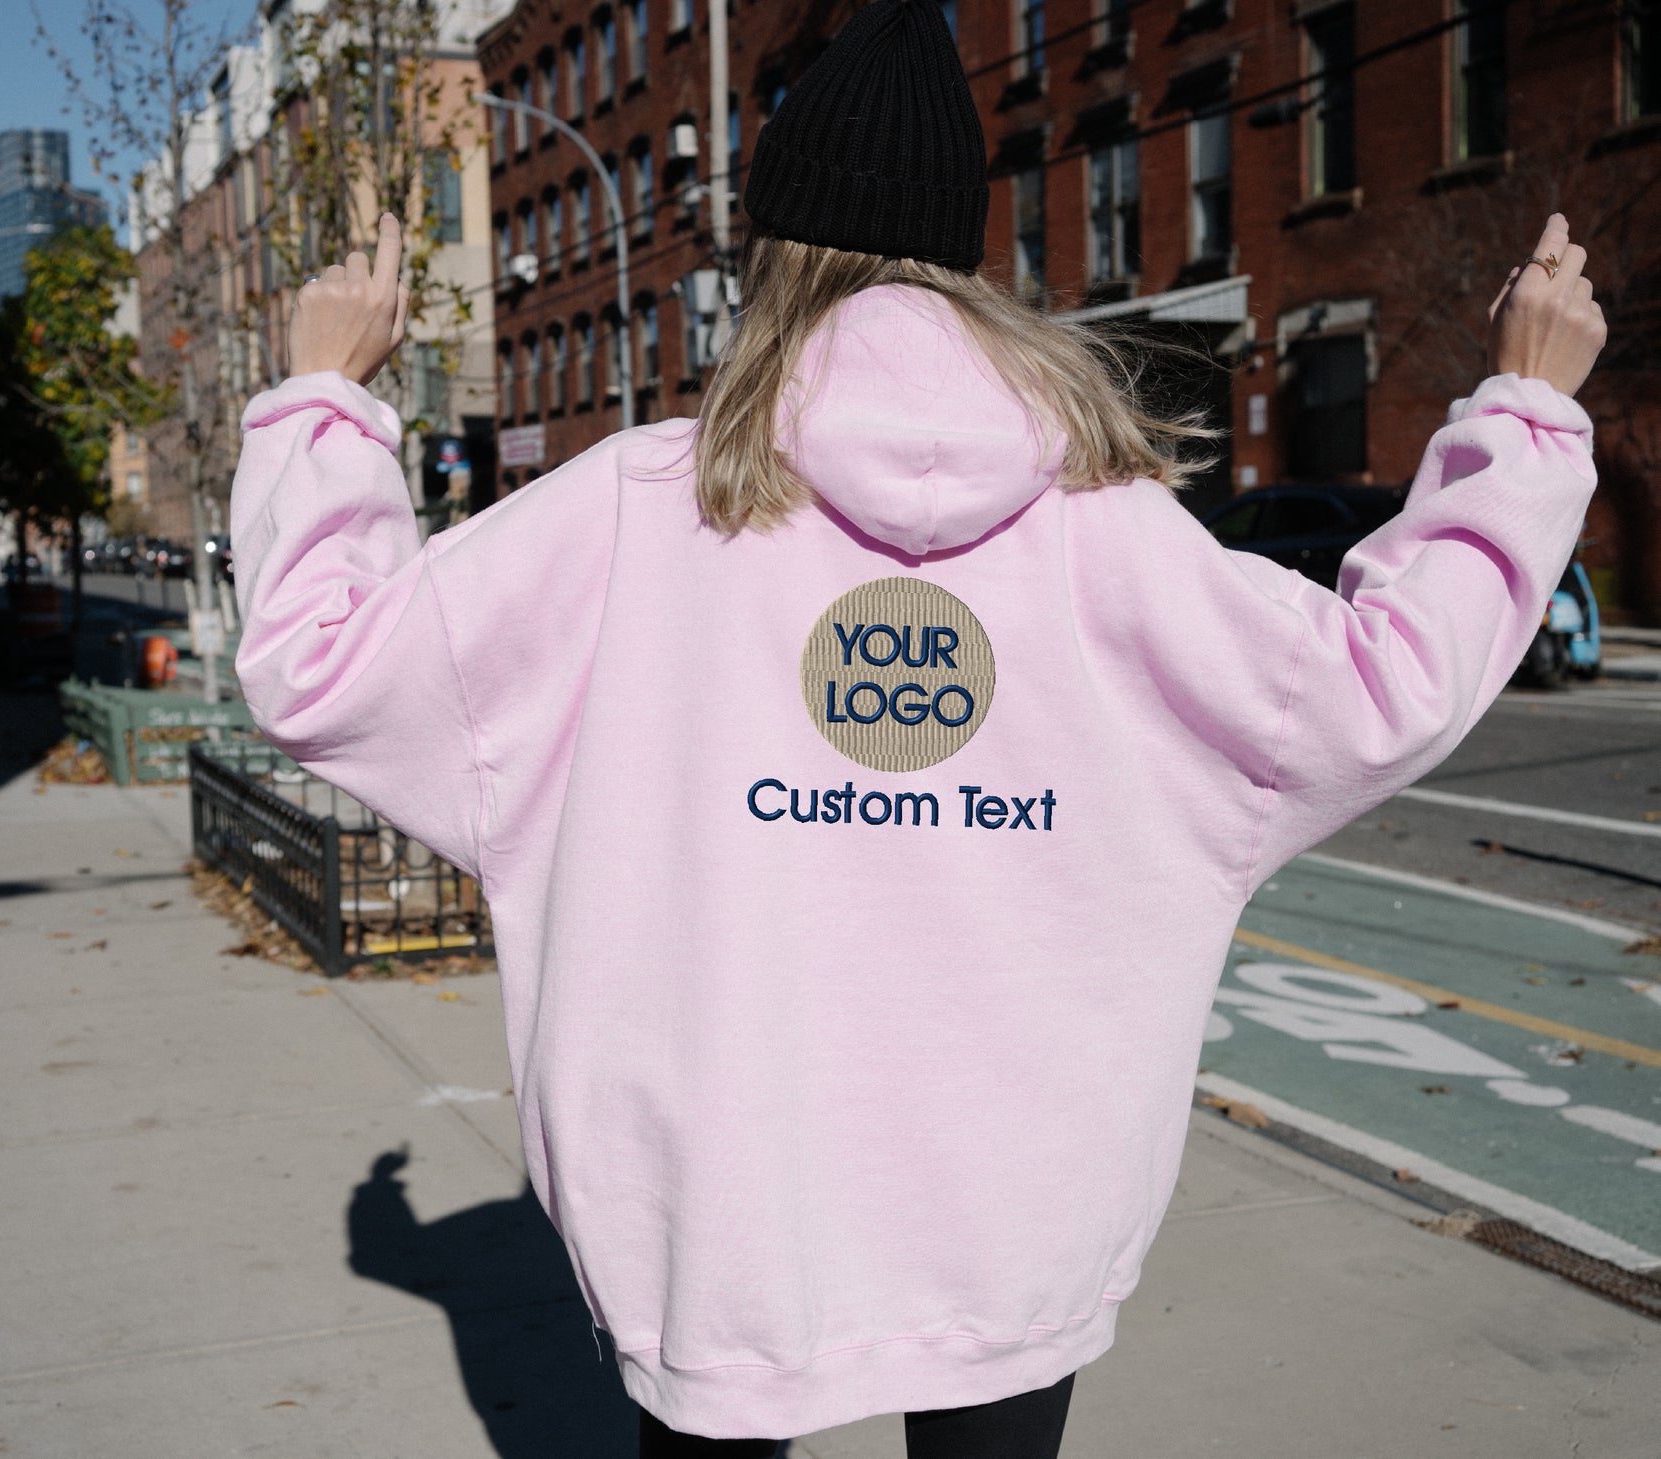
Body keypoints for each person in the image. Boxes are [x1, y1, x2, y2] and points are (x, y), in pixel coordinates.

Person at [230, 3, 1605, 1453]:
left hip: (716, 1213)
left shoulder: (640, 507)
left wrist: (325, 394)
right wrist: (1518, 417)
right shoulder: (1111, 533)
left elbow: (326, 666)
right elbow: (1383, 679)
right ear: (966, 258)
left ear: (770, 255)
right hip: (1020, 1202)